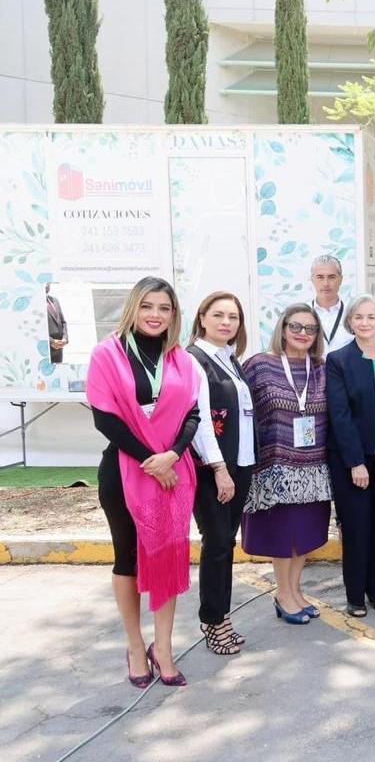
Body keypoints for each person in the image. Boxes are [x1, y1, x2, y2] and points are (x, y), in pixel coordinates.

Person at [87, 276, 204, 687]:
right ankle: (136, 647)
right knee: (129, 559)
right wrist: (150, 460)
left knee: (167, 558)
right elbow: (104, 418)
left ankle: (164, 649)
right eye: (147, 306)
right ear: (133, 308)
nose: (155, 315)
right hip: (123, 473)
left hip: (172, 472)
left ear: (174, 315)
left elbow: (193, 415)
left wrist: (172, 455)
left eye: (164, 308)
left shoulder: (181, 359)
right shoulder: (108, 354)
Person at [242, 304, 332, 626]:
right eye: (296, 326)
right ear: (282, 328)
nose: (302, 333)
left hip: (314, 467)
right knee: (283, 536)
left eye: (310, 328)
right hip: (274, 466)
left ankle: (295, 590)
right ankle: (283, 594)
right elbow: (242, 410)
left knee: (304, 534)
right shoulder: (259, 365)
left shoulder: (321, 367)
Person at [187, 292, 257, 655]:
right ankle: (212, 619)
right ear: (202, 318)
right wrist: (219, 469)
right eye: (218, 315)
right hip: (213, 469)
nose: (226, 322)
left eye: (233, 317)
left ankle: (222, 615)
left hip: (239, 464)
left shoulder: (229, 358)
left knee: (225, 543)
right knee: (216, 543)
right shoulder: (194, 360)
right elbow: (199, 422)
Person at [326, 296, 375, 618]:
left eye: (371, 317)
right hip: (353, 459)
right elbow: (340, 415)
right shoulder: (339, 360)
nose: (365, 322)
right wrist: (355, 462)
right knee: (357, 526)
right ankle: (355, 594)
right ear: (350, 322)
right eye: (359, 317)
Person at [310, 254, 354, 355]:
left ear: (340, 279)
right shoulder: (303, 313)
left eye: (331, 277)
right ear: (312, 279)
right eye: (320, 277)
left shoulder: (353, 313)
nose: (326, 283)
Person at [46, 282, 67, 364]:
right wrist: (51, 341)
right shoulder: (34, 304)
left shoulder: (54, 300)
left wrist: (65, 338)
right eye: (44, 283)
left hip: (58, 348)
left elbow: (63, 322)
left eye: (48, 283)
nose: (46, 285)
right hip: (45, 347)